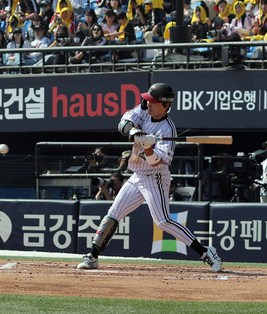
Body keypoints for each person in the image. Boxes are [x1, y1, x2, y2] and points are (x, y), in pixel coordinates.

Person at [77, 83, 222, 272]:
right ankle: (93, 257)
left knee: (162, 221)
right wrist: (134, 131)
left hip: (156, 178)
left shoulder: (167, 130)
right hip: (137, 175)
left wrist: (147, 147)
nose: (148, 104)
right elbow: (123, 122)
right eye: (148, 100)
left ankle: (205, 252)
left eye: (154, 102)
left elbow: (157, 162)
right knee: (114, 213)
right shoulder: (144, 109)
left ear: (165, 105)